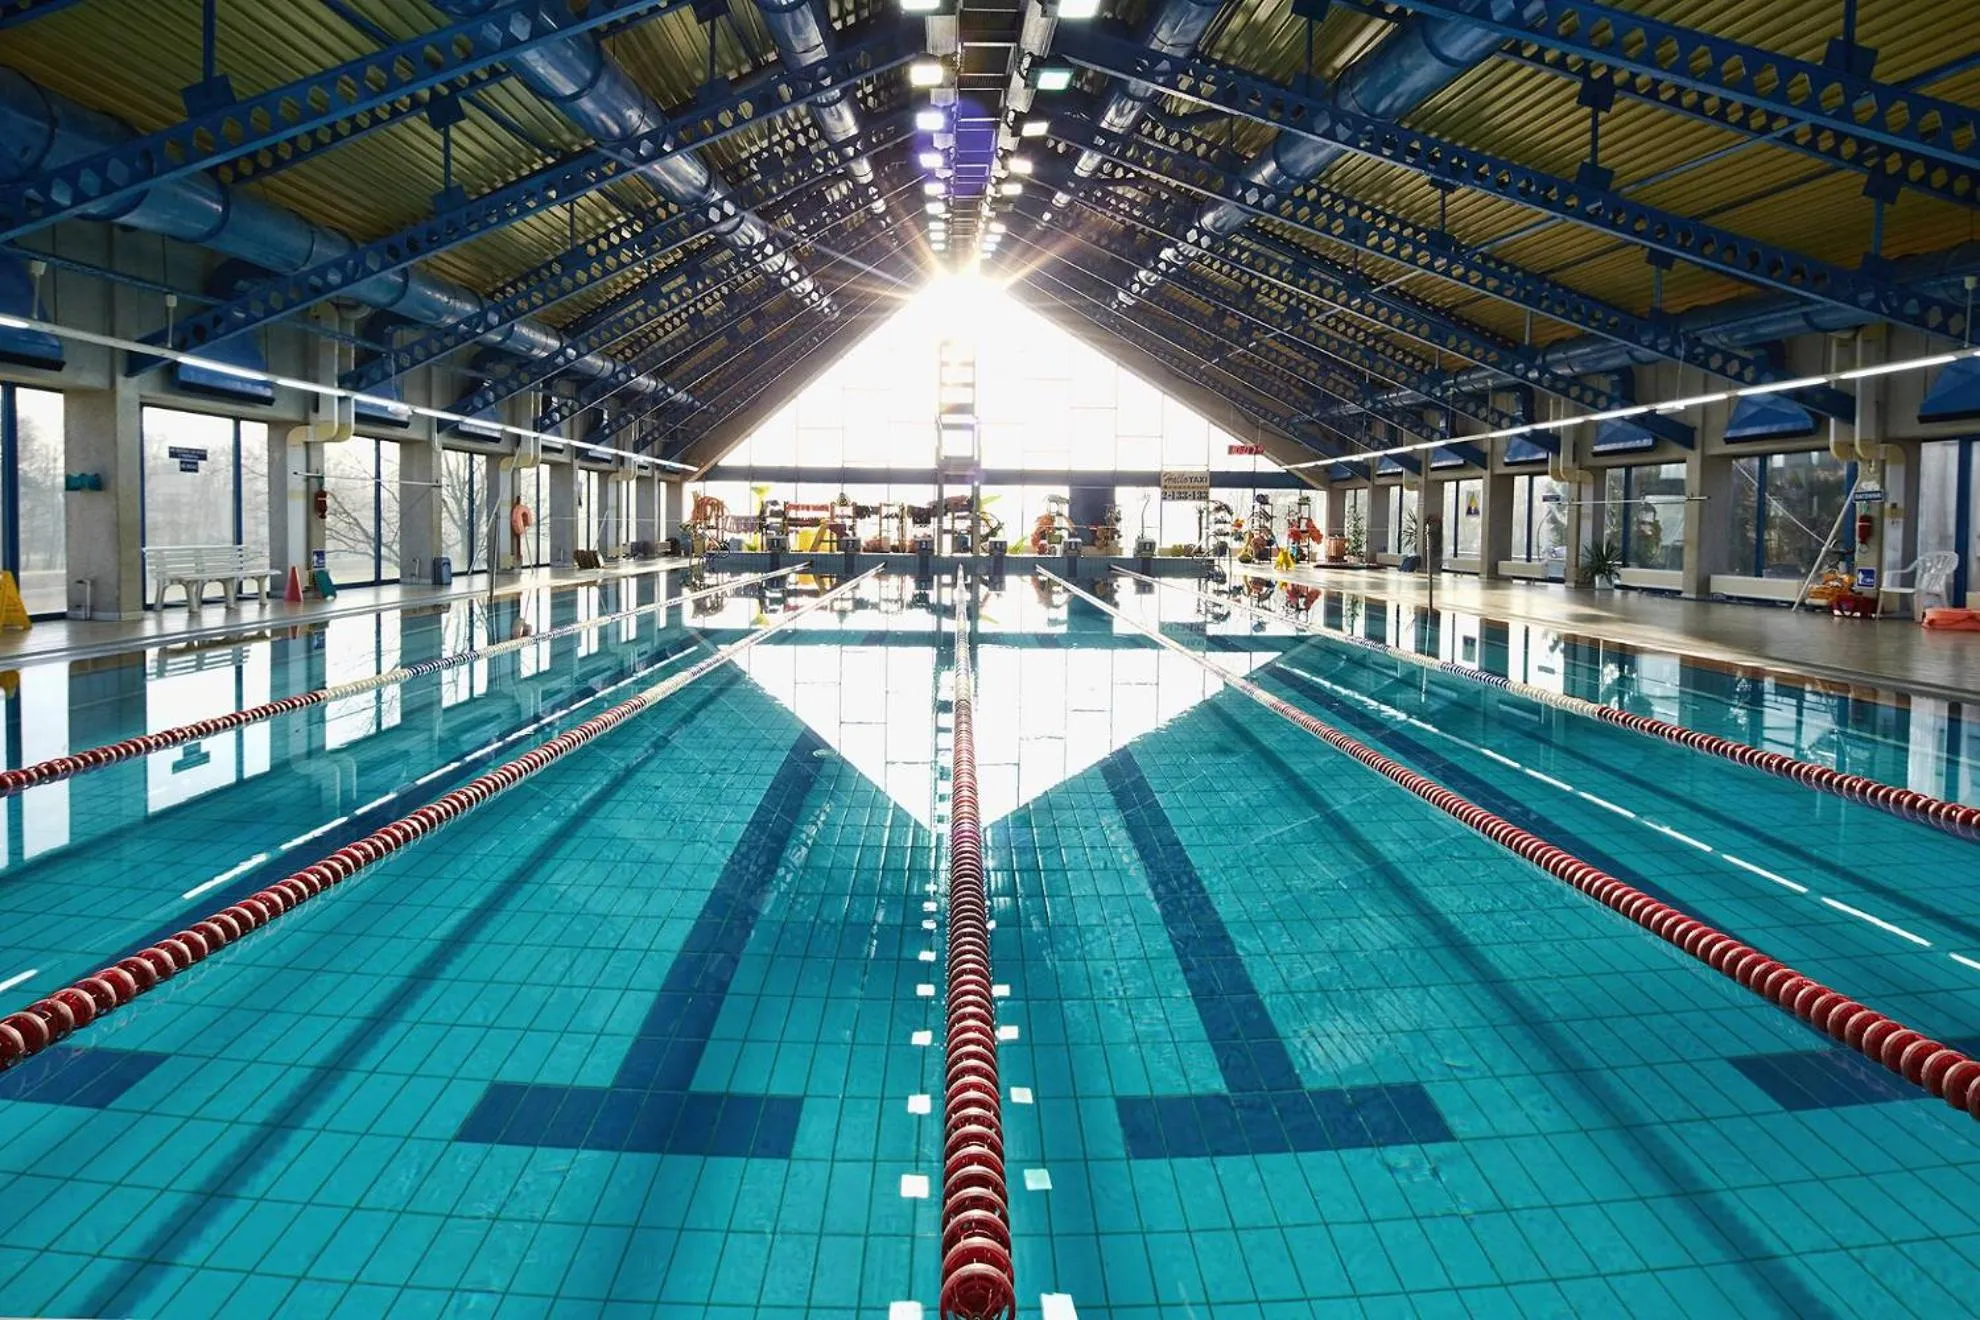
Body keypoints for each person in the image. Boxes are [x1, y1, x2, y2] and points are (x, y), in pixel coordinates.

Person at [510, 495, 533, 565]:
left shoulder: (520, 511)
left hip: (518, 525)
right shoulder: (517, 512)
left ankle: (516, 560)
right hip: (517, 524)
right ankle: (513, 562)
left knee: (517, 542)